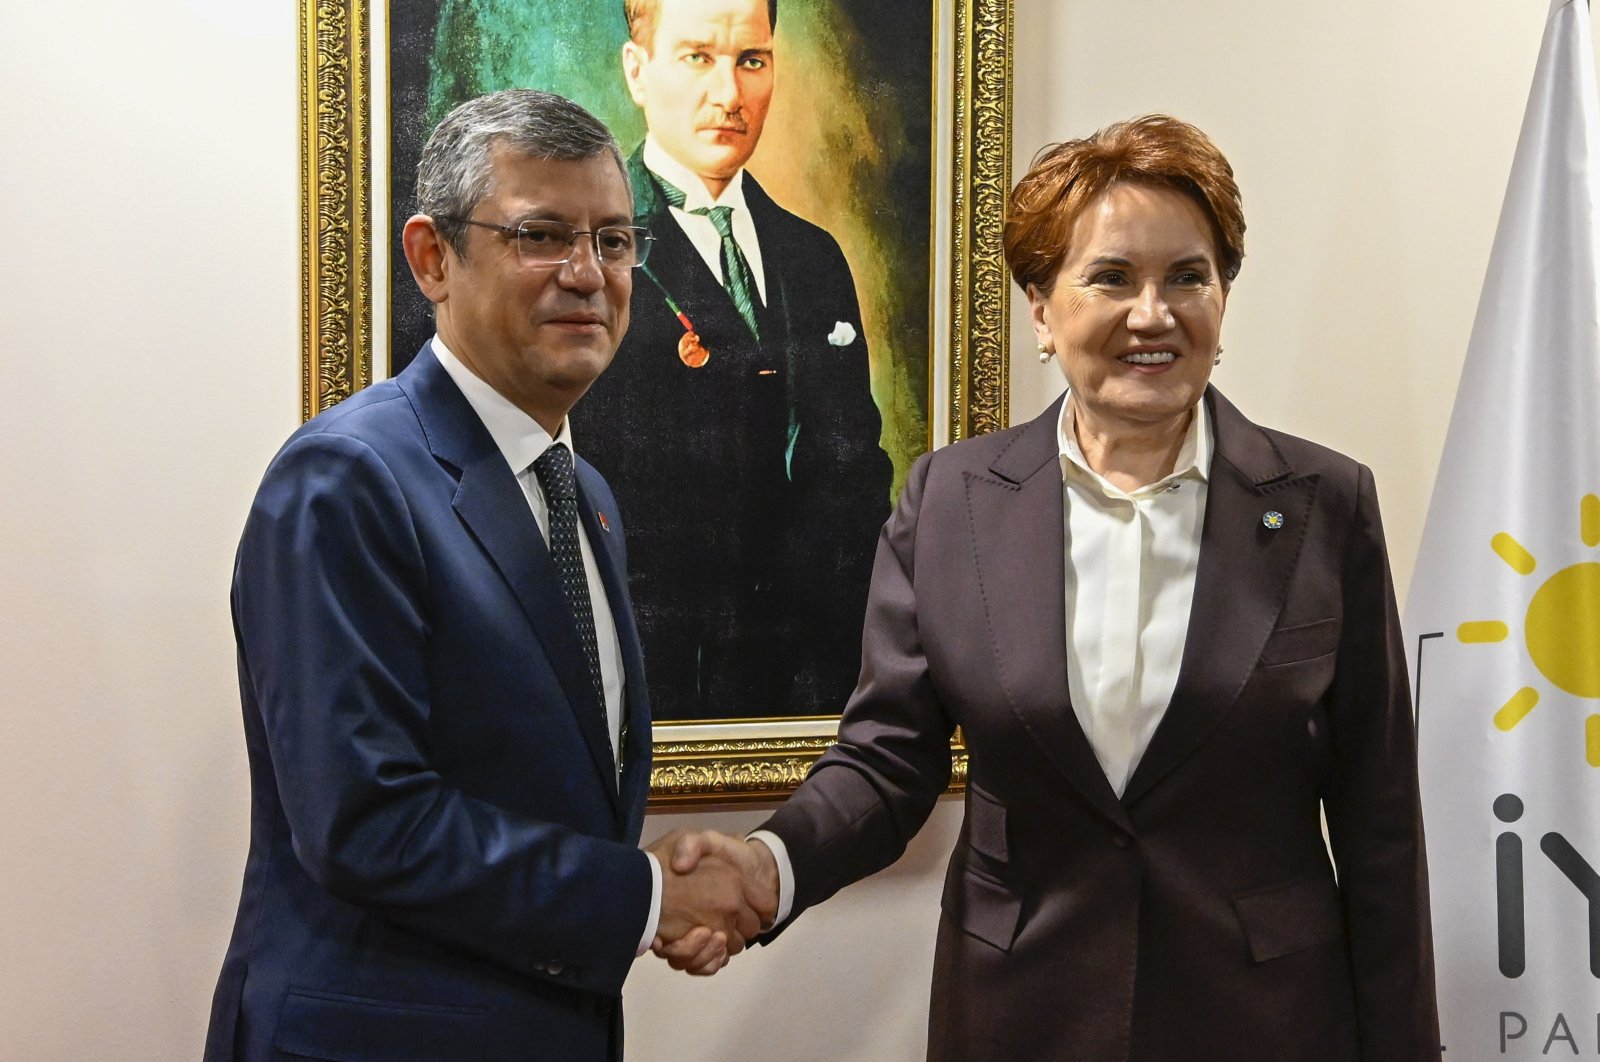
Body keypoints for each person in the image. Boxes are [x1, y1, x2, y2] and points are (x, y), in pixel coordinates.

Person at [664, 115, 1442, 1060]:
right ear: (1041, 307)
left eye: (1188, 277)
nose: (1152, 314)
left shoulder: (1326, 503)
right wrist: (766, 864)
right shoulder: (950, 501)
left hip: (1264, 1022)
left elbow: (1381, 828)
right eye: (1111, 277)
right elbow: (887, 762)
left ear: (1224, 298)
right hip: (1019, 1017)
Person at [203, 89, 768, 1062]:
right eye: (542, 235)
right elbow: (369, 821)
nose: (588, 274)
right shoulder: (347, 479)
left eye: (616, 240)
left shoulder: (582, 493)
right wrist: (645, 898)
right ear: (432, 257)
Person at [572, 0, 894, 719]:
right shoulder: (591, 255)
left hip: (814, 684)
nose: (729, 95)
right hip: (658, 685)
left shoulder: (813, 257)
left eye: (751, 60)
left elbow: (856, 472)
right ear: (637, 70)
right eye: (696, 58)